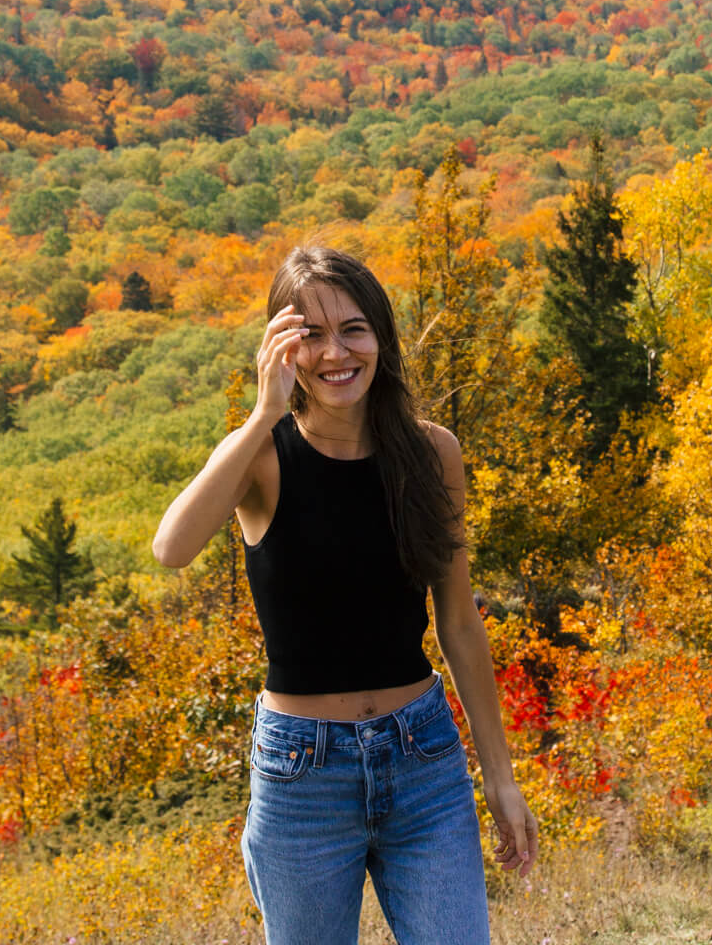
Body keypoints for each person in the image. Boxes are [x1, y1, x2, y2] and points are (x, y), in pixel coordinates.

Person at [153, 244, 539, 945]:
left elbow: (457, 622)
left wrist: (502, 778)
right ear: (281, 346)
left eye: (354, 329)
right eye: (311, 333)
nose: (336, 352)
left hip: (423, 758)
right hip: (303, 775)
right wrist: (262, 412)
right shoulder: (261, 459)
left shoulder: (431, 454)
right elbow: (171, 548)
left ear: (381, 339)